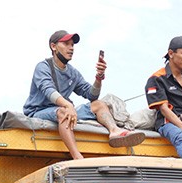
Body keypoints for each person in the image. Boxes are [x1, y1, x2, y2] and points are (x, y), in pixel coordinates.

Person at [23, 30, 145, 160]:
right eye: (66, 44)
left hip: (64, 108)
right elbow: (47, 90)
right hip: (39, 111)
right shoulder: (43, 67)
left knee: (99, 104)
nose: (71, 48)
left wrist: (99, 77)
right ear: (53, 46)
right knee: (64, 112)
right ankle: (77, 157)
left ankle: (114, 131)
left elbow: (91, 95)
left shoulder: (72, 72)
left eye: (72, 45)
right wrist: (68, 105)